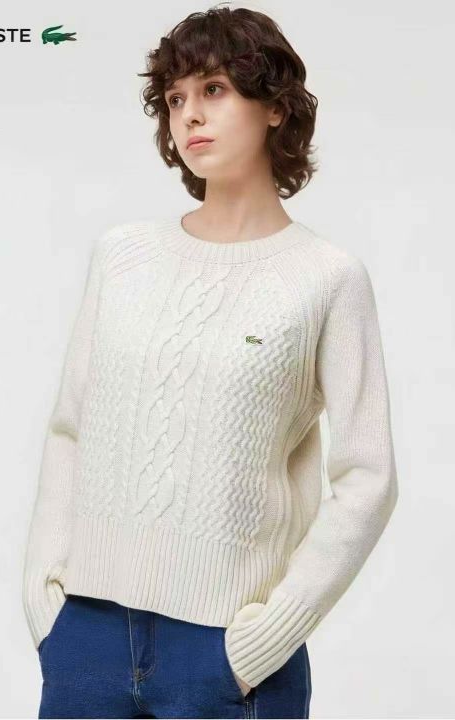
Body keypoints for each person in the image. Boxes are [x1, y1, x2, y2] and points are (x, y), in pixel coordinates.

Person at [22, 5, 399, 719]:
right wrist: (48, 606)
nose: (189, 114)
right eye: (175, 99)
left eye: (214, 89)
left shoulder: (327, 277)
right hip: (86, 640)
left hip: (224, 655)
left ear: (276, 108)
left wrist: (261, 641)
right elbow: (71, 429)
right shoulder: (122, 257)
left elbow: (368, 479)